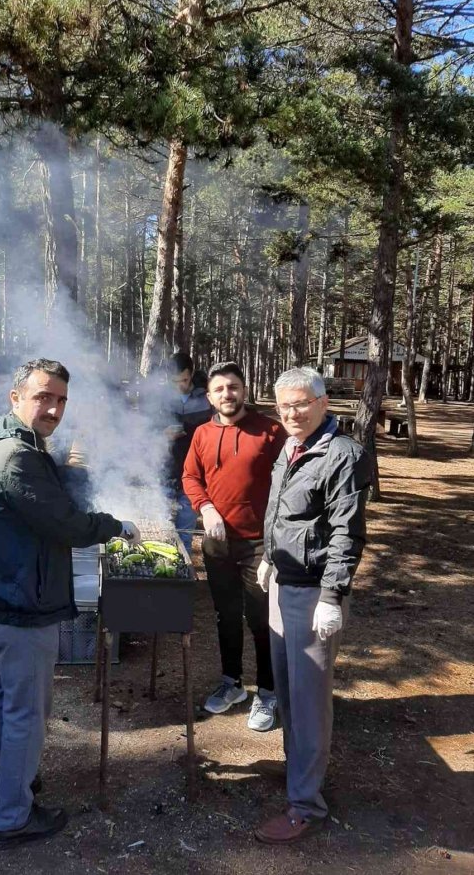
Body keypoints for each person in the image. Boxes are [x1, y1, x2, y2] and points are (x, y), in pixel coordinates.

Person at [0, 358, 140, 848]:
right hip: (20, 604)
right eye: (43, 396)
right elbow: (64, 523)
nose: (54, 408)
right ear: (15, 397)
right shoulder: (17, 458)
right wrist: (115, 526)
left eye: (61, 399)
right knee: (26, 712)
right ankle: (13, 816)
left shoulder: (10, 443)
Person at [254, 366, 371, 845]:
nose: (291, 413)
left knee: (307, 702)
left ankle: (307, 806)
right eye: (283, 406)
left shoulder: (342, 453)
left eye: (301, 403)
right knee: (287, 694)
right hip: (284, 583)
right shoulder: (291, 447)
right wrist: (267, 557)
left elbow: (348, 531)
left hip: (312, 593)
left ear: (323, 403)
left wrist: (332, 596)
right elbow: (282, 509)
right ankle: (297, 778)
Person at [182, 361, 286, 730]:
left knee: (261, 619)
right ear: (209, 397)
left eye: (233, 387)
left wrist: (275, 541)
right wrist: (206, 508)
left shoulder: (271, 431)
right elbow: (190, 477)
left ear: (244, 390)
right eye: (220, 389)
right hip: (217, 543)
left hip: (259, 543)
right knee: (225, 615)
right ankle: (232, 684)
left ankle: (268, 693)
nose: (227, 394)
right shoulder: (202, 435)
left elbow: (288, 485)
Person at [164, 352, 213, 554]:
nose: (180, 386)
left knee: (185, 530)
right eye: (175, 382)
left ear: (191, 374)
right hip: (165, 470)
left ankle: (182, 575)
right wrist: (162, 434)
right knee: (163, 528)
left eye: (184, 380)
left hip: (195, 473)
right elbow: (144, 430)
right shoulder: (159, 398)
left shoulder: (208, 397)